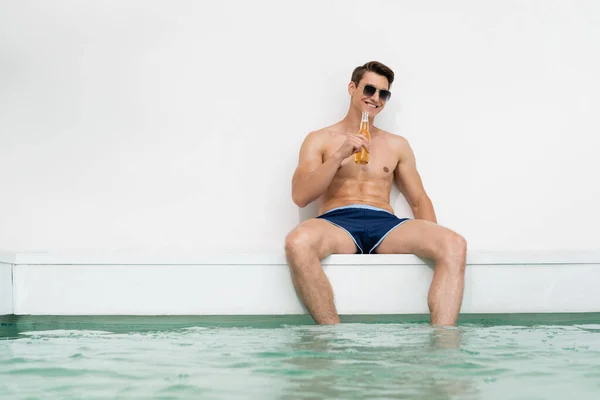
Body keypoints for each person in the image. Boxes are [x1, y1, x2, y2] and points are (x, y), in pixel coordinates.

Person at [285, 61, 467, 326]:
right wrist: (338, 156)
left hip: (384, 224)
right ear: (352, 88)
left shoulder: (397, 145)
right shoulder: (320, 139)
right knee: (297, 242)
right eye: (370, 89)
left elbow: (418, 199)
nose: (376, 98)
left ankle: (442, 346)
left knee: (454, 244)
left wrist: (430, 241)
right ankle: (332, 339)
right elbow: (301, 196)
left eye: (384, 93)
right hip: (337, 222)